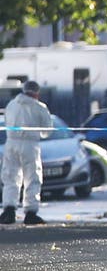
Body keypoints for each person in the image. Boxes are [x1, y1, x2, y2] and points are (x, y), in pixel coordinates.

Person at [0, 80, 53, 225]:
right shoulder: (39, 107)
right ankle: (30, 212)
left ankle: (9, 210)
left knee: (10, 176)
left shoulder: (11, 105)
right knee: (32, 177)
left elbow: (6, 122)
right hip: (30, 145)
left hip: (11, 143)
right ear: (36, 93)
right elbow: (47, 131)